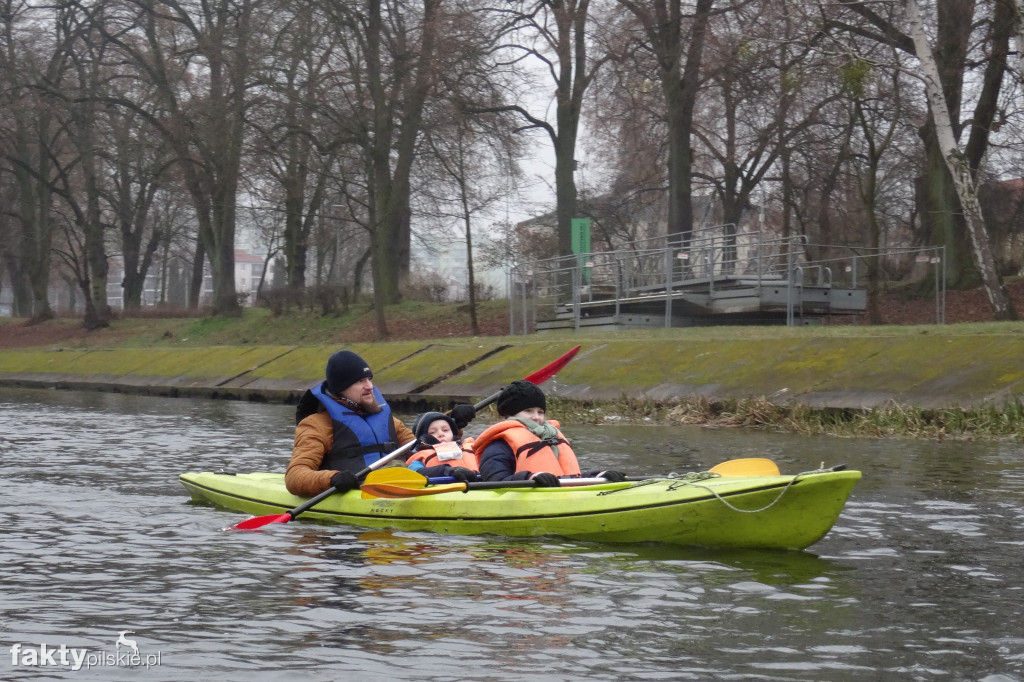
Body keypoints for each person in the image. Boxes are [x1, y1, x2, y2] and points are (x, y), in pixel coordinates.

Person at [284, 349, 475, 496]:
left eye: (369, 379)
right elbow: (295, 476)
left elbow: (422, 448)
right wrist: (332, 478)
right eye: (360, 381)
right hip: (356, 493)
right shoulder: (316, 425)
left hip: (398, 486)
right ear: (341, 389)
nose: (370, 386)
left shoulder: (390, 421)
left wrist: (451, 423)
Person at [472, 380, 627, 487]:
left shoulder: (551, 438)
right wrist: (530, 478)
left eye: (540, 412)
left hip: (559, 496)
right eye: (528, 411)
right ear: (510, 414)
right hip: (524, 500)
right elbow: (495, 481)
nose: (536, 417)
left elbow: (568, 477)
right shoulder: (499, 444)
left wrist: (598, 476)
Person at [405, 411, 478, 482]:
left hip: (480, 484)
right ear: (423, 438)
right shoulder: (420, 458)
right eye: (432, 432)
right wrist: (447, 471)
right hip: (445, 488)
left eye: (445, 430)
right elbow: (415, 473)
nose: (441, 434)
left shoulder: (471, 447)